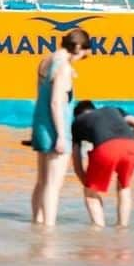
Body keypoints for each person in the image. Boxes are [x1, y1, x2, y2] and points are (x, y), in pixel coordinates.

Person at [30, 27, 91, 226]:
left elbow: (45, 91)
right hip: (56, 128)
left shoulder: (46, 61)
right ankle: (48, 230)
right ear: (79, 47)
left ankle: (37, 223)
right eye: (82, 56)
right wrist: (62, 136)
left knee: (41, 181)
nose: (80, 61)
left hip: (40, 125)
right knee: (53, 186)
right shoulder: (63, 67)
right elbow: (56, 102)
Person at [70, 99, 134, 227]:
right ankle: (122, 227)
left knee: (90, 194)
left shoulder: (77, 122)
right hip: (131, 147)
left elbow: (76, 160)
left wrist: (87, 183)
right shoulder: (113, 110)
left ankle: (98, 231)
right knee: (124, 187)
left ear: (78, 115)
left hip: (106, 149)